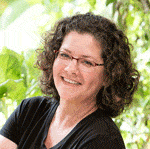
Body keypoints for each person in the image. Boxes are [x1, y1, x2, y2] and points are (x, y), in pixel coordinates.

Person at [0, 12, 139, 149]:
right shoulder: (30, 110)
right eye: (65, 55)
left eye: (87, 62)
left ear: (109, 75)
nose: (71, 69)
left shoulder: (104, 140)